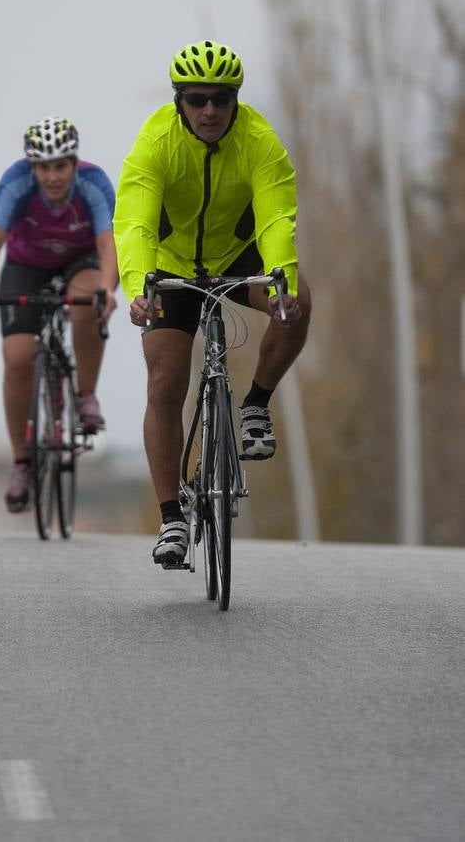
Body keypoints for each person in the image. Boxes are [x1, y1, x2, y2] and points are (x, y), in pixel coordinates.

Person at [114, 40, 310, 567]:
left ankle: (254, 406)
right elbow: (132, 222)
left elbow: (274, 220)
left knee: (298, 301)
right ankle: (172, 518)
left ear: (235, 101)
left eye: (220, 100)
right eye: (197, 99)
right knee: (164, 381)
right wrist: (138, 288)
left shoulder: (260, 142)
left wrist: (281, 284)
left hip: (235, 255)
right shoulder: (155, 143)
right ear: (180, 100)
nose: (209, 111)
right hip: (171, 264)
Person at [0, 117, 118, 513]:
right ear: (32, 167)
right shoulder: (15, 182)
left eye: (60, 166)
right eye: (43, 167)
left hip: (80, 259)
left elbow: (109, 246)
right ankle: (22, 462)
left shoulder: (95, 183)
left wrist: (107, 289)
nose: (52, 176)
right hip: (26, 264)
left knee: (85, 305)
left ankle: (85, 395)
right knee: (17, 358)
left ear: (74, 163)